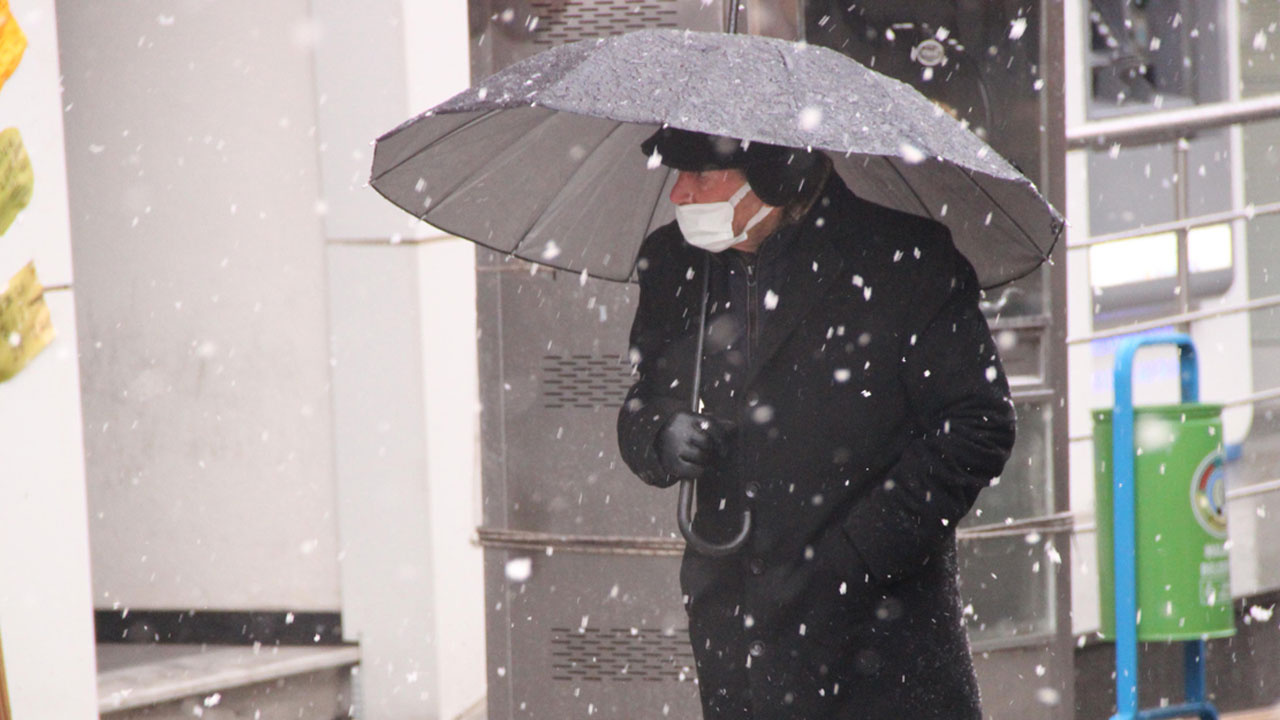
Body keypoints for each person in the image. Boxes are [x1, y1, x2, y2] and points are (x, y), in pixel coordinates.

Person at [616, 128, 1016, 720]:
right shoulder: (676, 265)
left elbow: (977, 426)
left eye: (701, 176)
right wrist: (658, 433)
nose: (678, 195)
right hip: (738, 630)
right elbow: (641, 400)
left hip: (879, 637)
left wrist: (852, 557)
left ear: (774, 176)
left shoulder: (903, 260)